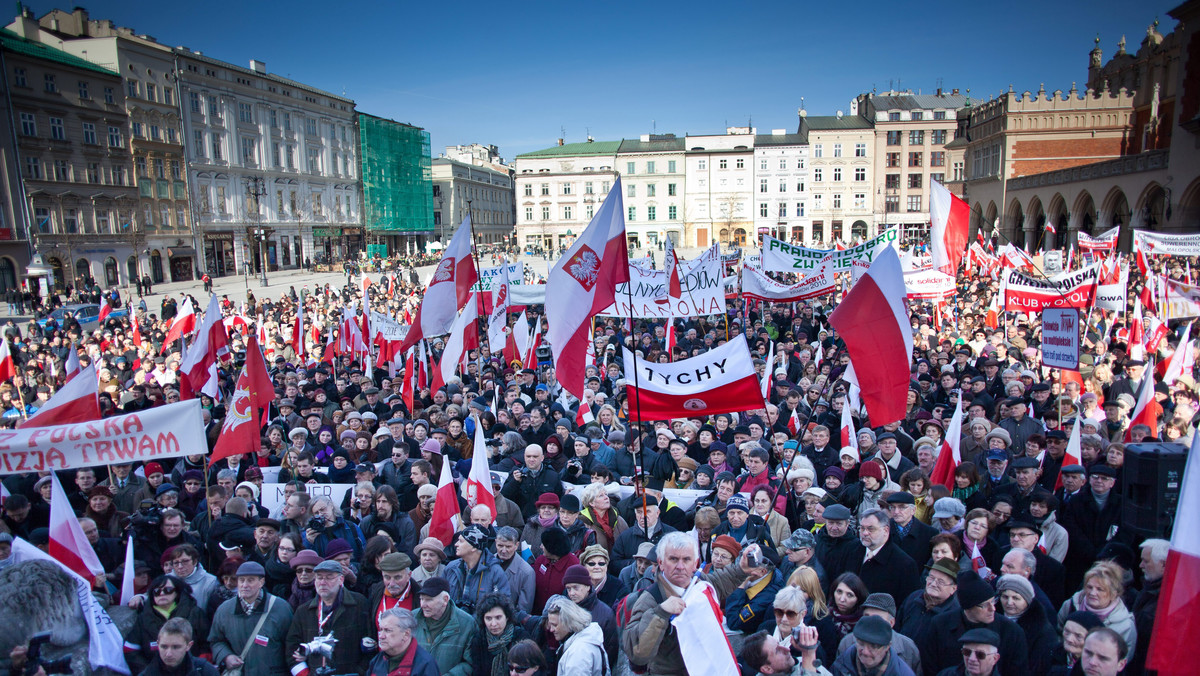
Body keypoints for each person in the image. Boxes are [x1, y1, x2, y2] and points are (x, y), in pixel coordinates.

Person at [622, 531, 759, 674]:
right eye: (673, 559)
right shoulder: (649, 599)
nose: (680, 566)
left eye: (686, 559)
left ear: (695, 563)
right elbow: (637, 654)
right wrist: (661, 613)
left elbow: (719, 582)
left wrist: (742, 569)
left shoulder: (699, 584)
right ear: (661, 563)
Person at [918, 570, 1028, 676]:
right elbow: (929, 668)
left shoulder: (1011, 631)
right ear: (968, 608)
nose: (993, 609)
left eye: (993, 602)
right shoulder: (940, 625)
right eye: (985, 605)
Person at [208, 561, 294, 676]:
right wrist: (226, 656)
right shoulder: (224, 610)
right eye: (241, 580)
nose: (244, 585)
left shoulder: (281, 608)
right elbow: (216, 640)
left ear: (261, 582)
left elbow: (291, 645)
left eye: (250, 580)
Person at [285, 559, 370, 675]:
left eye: (329, 577)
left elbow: (371, 644)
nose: (323, 582)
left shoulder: (359, 604)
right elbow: (291, 650)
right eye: (319, 578)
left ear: (341, 579)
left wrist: (359, 672)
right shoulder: (303, 611)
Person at [125, 575, 209, 674]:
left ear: (177, 592)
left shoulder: (194, 612)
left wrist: (197, 668)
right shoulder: (143, 618)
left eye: (168, 590)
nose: (162, 593)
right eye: (156, 591)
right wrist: (148, 671)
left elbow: (207, 643)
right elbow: (131, 649)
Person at [1055, 561, 1136, 662]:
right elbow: (1057, 633)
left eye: (1100, 589)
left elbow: (1122, 660)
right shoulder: (1071, 604)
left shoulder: (1125, 625)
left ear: (1113, 593)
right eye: (1089, 587)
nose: (1093, 593)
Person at [836, 593, 922, 674]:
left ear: (891, 623)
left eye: (877, 619)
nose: (870, 622)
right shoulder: (847, 642)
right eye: (867, 616)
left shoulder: (908, 648)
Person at [413, 576, 475, 676]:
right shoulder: (411, 619)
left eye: (429, 600)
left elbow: (470, 663)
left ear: (445, 600)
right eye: (421, 599)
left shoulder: (467, 624)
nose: (423, 605)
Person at [444, 524, 512, 612]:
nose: (456, 544)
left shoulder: (495, 572)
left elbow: (502, 607)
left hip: (480, 624)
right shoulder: (451, 568)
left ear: (473, 547)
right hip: (452, 623)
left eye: (461, 541)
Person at [544, 594, 608, 676]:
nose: (551, 629)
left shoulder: (578, 653)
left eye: (555, 625)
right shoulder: (585, 639)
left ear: (569, 622)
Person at [468, 594, 530, 676]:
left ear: (507, 617)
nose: (493, 624)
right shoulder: (479, 639)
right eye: (488, 618)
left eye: (498, 617)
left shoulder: (521, 637)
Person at [367, 607, 440, 676]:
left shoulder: (425, 664)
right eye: (381, 630)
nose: (381, 636)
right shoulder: (377, 660)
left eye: (388, 630)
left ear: (406, 634)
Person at [136, 618, 220, 676]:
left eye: (176, 647)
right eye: (164, 647)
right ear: (158, 644)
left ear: (188, 645)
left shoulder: (205, 671)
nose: (168, 654)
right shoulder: (147, 674)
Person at [935, 628, 1002, 676]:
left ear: (995, 659)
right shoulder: (946, 674)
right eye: (967, 652)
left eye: (980, 654)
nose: (972, 659)